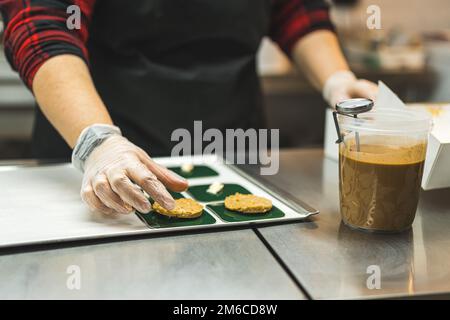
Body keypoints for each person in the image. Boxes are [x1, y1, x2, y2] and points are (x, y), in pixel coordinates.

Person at [0, 0, 377, 215]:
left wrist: (337, 79)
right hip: (104, 142)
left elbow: (297, 10)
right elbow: (40, 23)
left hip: (232, 149)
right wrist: (98, 142)